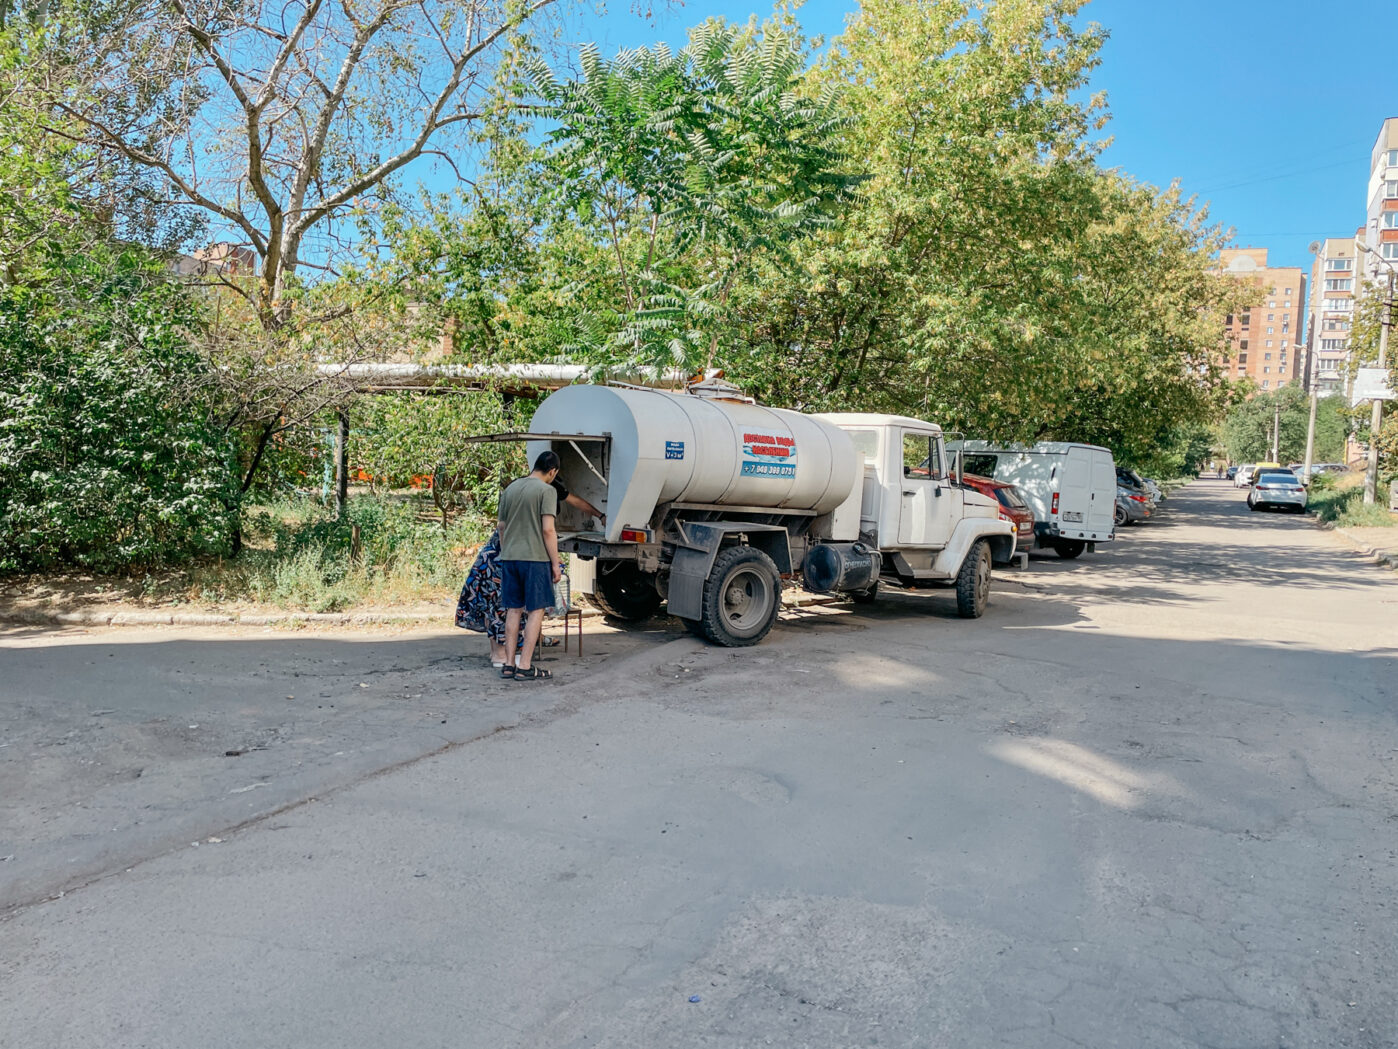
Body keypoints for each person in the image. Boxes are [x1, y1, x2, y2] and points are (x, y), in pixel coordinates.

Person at [455, 475, 604, 668]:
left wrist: (600, 515)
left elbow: (503, 526)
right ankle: (501, 656)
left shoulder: (520, 488)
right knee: (507, 606)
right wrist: (553, 561)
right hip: (506, 556)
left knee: (500, 605)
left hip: (495, 555)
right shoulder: (543, 494)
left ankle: (501, 653)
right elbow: (546, 532)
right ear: (552, 473)